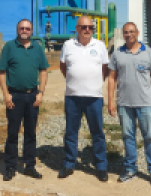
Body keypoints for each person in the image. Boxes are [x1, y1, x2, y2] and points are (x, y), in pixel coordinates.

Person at [107, 21, 151, 186]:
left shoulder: (148, 52)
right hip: (124, 104)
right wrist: (110, 101)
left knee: (150, 138)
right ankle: (130, 168)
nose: (129, 34)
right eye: (125, 32)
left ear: (137, 33)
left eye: (131, 31)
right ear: (123, 34)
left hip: (145, 103)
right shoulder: (118, 54)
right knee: (127, 137)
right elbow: (111, 78)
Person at [58, 16, 110, 181]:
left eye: (90, 27)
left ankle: (101, 166)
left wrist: (94, 83)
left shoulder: (100, 45)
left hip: (94, 97)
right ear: (77, 28)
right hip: (72, 97)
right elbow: (63, 67)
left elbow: (105, 68)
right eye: (84, 27)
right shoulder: (68, 45)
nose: (87, 30)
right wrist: (75, 81)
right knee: (71, 132)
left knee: (97, 133)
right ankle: (69, 163)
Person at [0, 19, 49, 181]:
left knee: (30, 133)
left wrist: (40, 93)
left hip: (32, 95)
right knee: (12, 132)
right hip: (14, 96)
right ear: (17, 29)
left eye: (27, 28)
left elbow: (43, 71)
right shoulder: (9, 47)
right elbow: (1, 72)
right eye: (22, 28)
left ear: (31, 31)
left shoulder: (37, 48)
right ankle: (11, 167)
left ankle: (29, 166)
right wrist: (6, 94)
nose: (25, 30)